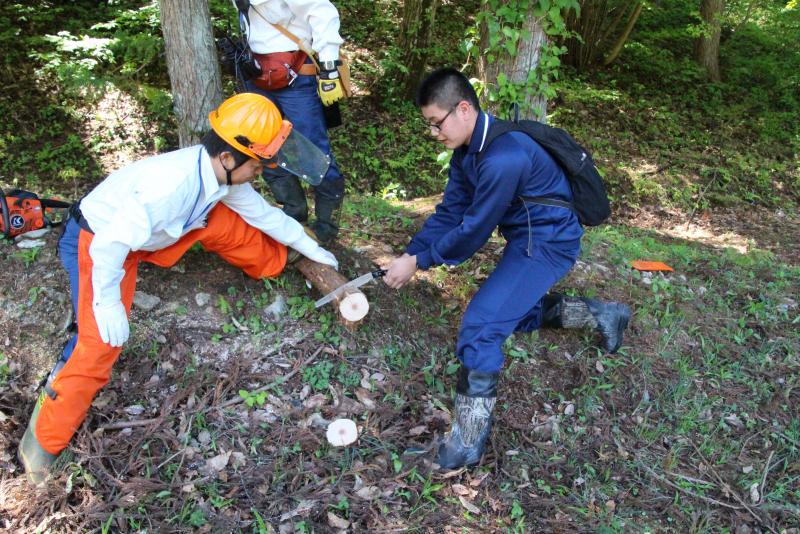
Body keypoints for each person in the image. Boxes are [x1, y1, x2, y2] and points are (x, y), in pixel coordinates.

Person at [18, 93, 338, 483]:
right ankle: (40, 449)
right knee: (99, 346)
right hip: (98, 243)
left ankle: (276, 262)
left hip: (147, 238)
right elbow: (108, 244)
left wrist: (313, 250)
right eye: (257, 165)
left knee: (225, 221)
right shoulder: (172, 188)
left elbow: (265, 215)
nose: (260, 173)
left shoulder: (221, 179)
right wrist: (106, 303)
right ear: (228, 157)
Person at [382, 68, 631, 470]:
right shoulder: (468, 152)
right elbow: (450, 214)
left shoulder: (504, 156)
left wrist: (420, 262)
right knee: (505, 313)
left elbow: (473, 230)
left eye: (435, 123)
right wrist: (411, 254)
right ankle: (605, 314)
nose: (434, 133)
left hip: (547, 244)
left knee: (482, 325)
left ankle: (465, 443)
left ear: (464, 109)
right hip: (528, 239)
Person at [239, 0, 347, 244]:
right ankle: (294, 216)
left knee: (314, 151)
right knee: (263, 146)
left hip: (296, 74)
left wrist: (329, 66)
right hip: (256, 72)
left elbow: (321, 11)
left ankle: (325, 230)